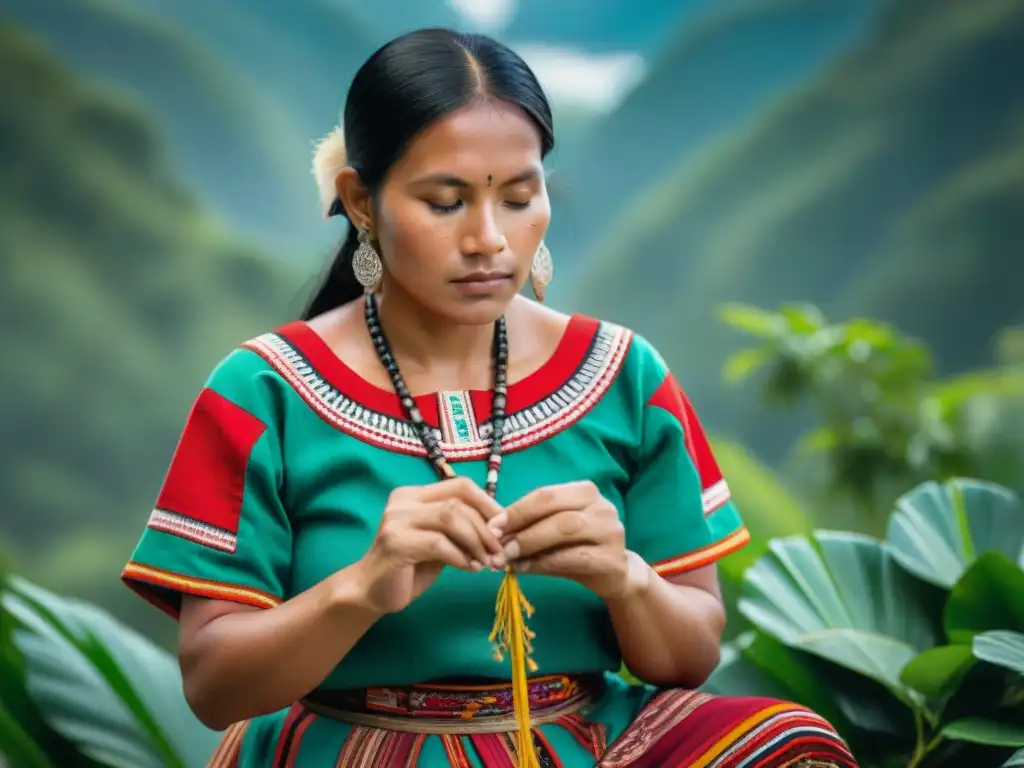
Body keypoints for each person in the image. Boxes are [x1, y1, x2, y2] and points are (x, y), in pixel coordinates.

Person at [121, 27, 857, 768]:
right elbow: (214, 686)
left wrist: (623, 577)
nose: (489, 240)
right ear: (361, 202)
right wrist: (363, 587)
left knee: (793, 745)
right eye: (445, 203)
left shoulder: (625, 374)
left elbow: (690, 656)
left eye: (518, 197)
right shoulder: (263, 393)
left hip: (593, 745)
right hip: (355, 752)